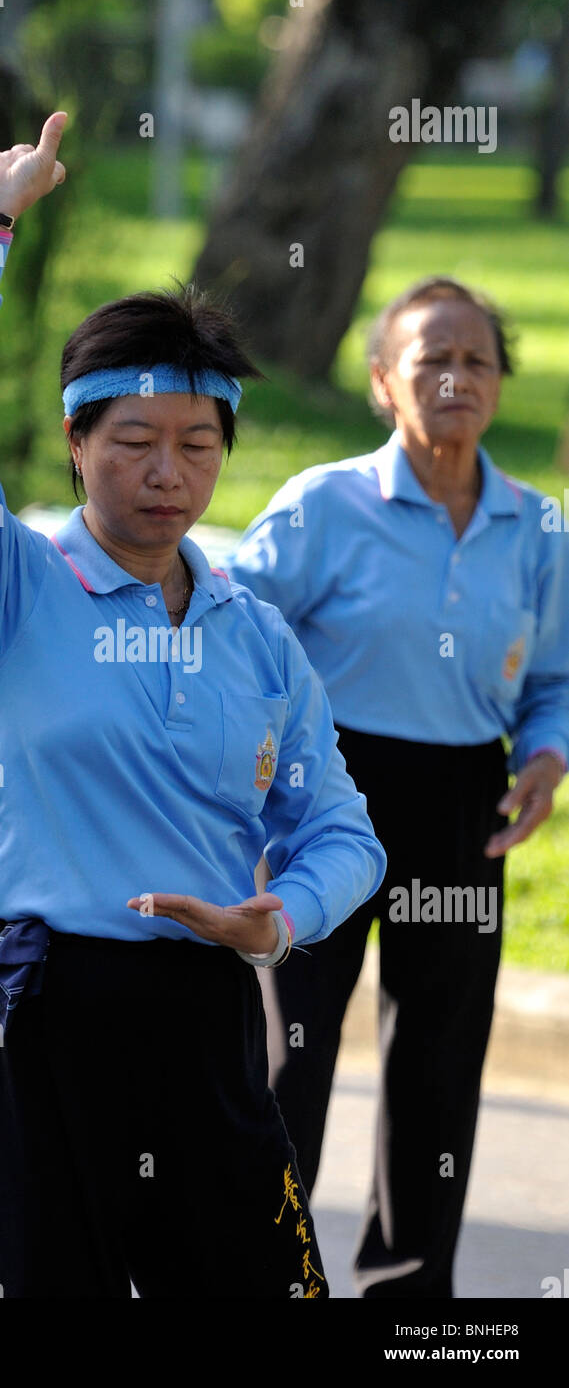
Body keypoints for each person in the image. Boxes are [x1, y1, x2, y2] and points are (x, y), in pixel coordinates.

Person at [0, 110, 386, 1299]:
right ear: (74, 443)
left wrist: (274, 921)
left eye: (196, 445)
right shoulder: (4, 585)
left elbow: (344, 833)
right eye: (132, 442)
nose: (166, 474)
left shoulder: (256, 635)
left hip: (203, 1013)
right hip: (41, 1010)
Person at [225, 276, 569, 1298]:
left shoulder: (537, 528)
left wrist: (547, 755)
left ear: (501, 384)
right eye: (431, 358)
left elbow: (553, 676)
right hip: (325, 796)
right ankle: (258, 1273)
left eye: (476, 359)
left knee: (439, 1054)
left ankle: (409, 1292)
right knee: (289, 1051)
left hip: (466, 801)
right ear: (383, 382)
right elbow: (236, 634)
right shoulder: (323, 505)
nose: (455, 376)